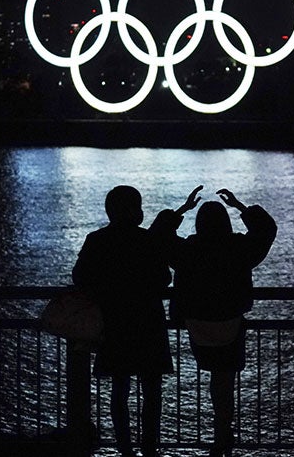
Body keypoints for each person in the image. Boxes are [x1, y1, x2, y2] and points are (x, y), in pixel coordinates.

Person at [72, 185, 198, 457]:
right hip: (148, 323)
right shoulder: (147, 241)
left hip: (114, 323)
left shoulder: (96, 240)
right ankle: (149, 448)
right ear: (134, 210)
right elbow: (164, 278)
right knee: (152, 391)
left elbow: (80, 277)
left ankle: (125, 449)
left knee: (120, 389)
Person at [165, 187, 277, 457]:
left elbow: (158, 237)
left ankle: (220, 434)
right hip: (230, 323)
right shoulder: (238, 248)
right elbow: (267, 229)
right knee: (224, 381)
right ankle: (223, 433)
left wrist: (181, 210)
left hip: (198, 324)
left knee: (216, 378)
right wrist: (240, 206)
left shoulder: (188, 250)